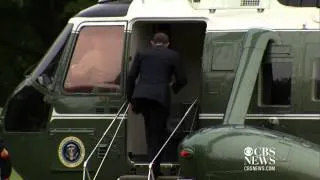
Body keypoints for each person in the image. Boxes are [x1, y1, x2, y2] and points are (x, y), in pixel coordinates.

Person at [126, 32, 187, 178]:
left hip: (142, 98)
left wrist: (131, 100)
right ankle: (154, 170)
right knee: (158, 134)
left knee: (150, 132)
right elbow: (183, 79)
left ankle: (153, 167)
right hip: (160, 98)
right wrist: (173, 87)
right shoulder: (173, 55)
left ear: (152, 43)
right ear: (167, 44)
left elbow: (131, 76)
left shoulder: (141, 53)